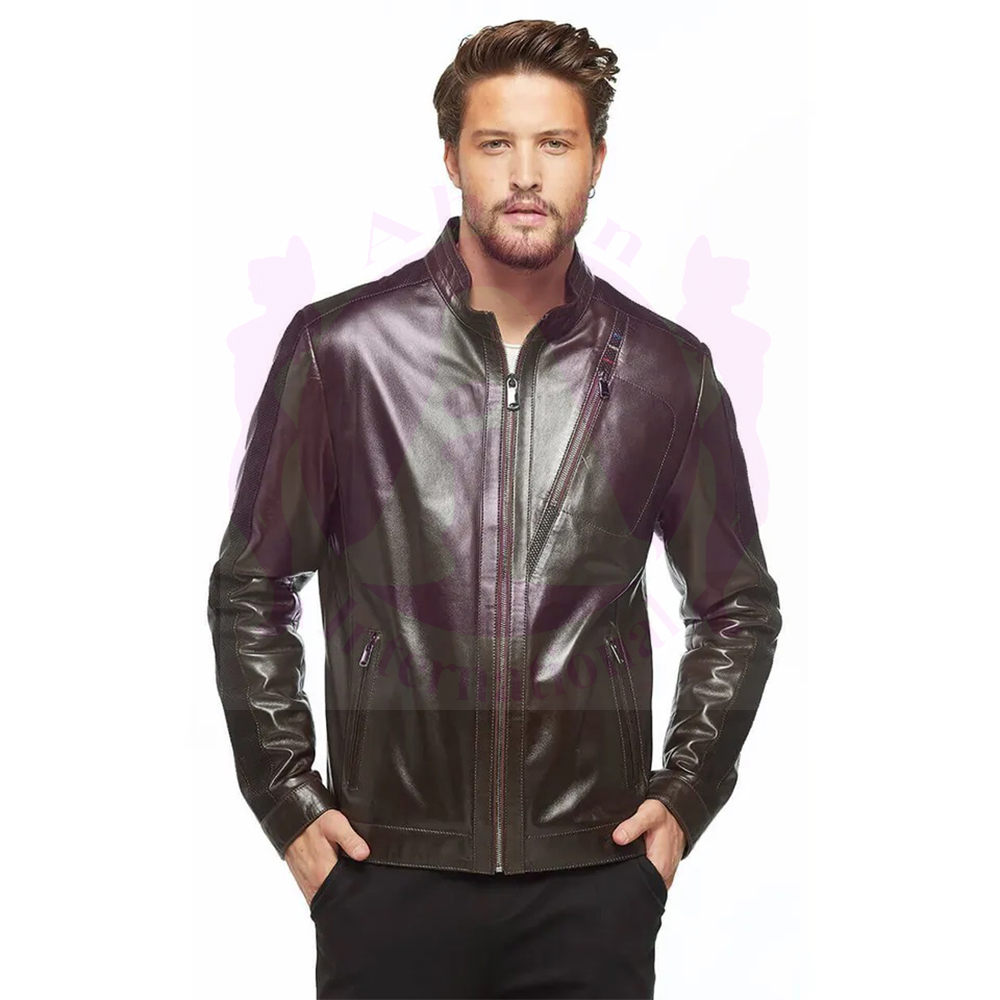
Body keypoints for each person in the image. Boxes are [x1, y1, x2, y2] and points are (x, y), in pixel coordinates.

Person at [207, 17, 782, 1000]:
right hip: (385, 872)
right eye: (494, 143)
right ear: (451, 159)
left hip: (592, 878)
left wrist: (685, 796)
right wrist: (289, 802)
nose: (525, 174)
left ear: (596, 160)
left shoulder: (666, 373)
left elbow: (737, 605)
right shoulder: (341, 352)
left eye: (554, 143)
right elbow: (252, 586)